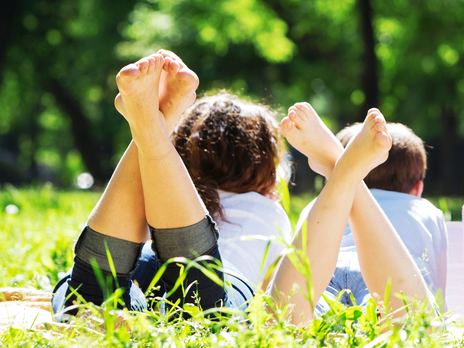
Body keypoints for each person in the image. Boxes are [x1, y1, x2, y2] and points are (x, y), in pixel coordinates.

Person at [53, 51, 291, 318]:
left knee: (85, 295)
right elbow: (278, 292)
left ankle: (154, 127)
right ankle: (152, 128)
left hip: (140, 261)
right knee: (206, 312)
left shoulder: (152, 195)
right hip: (219, 276)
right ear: (264, 165)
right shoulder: (269, 212)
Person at [270, 104, 433, 325]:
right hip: (388, 276)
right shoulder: (425, 210)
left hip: (323, 274)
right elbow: (438, 289)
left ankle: (341, 168)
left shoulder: (314, 207)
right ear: (417, 190)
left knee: (281, 324)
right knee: (417, 329)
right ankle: (345, 168)